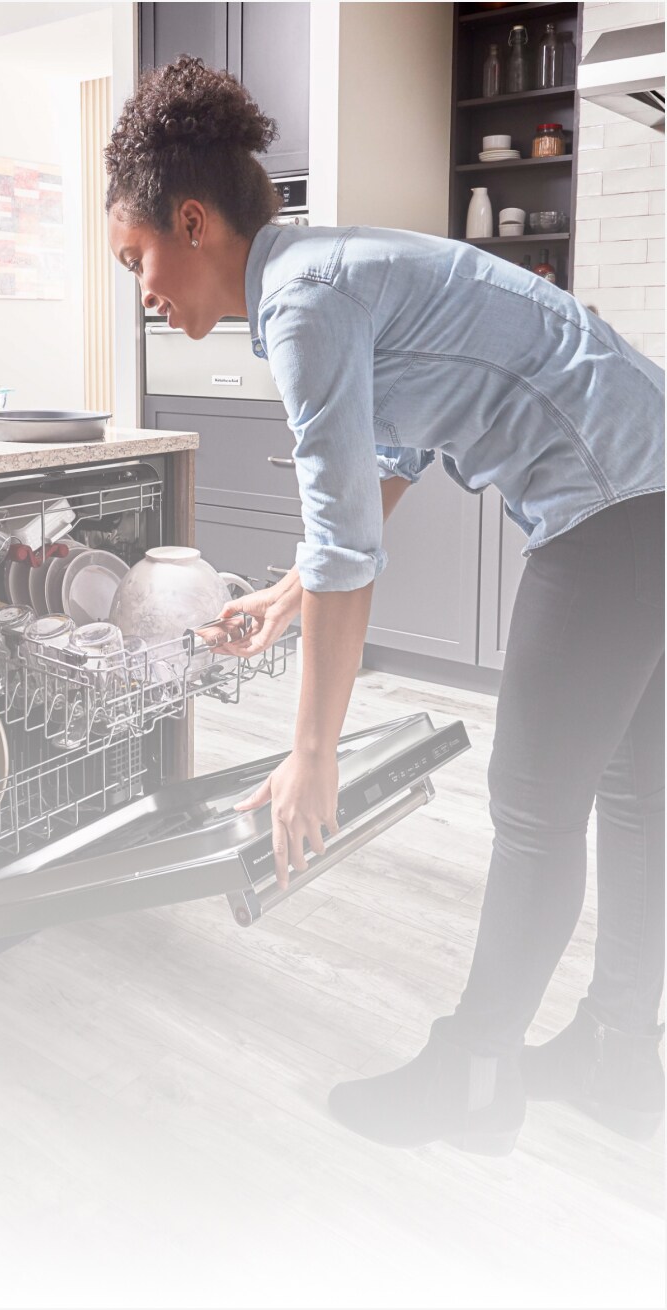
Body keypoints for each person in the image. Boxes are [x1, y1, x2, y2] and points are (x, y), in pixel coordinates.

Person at [105, 56, 665, 1156]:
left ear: (191, 219)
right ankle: (615, 1047)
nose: (144, 289)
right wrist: (284, 590)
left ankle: (475, 1076)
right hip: (648, 479)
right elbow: (398, 439)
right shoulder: (323, 268)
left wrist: (307, 750)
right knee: (631, 791)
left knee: (531, 802)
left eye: (137, 259)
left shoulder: (301, 301)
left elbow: (349, 547)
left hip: (612, 502)